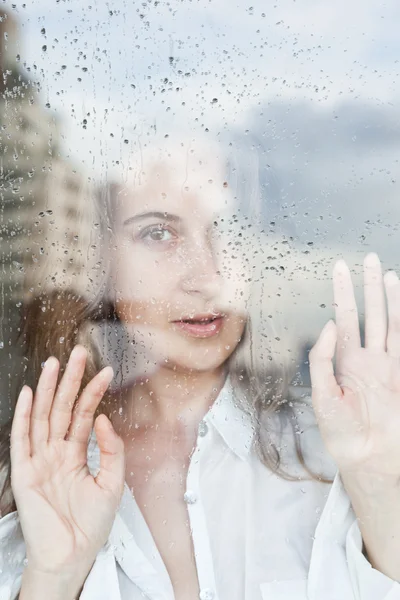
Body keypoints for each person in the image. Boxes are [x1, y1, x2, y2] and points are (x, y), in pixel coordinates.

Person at [0, 136, 400, 600]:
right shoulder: (38, 470)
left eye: (228, 229)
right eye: (157, 233)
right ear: (103, 258)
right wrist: (53, 577)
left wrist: (380, 493)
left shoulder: (339, 450)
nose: (206, 275)